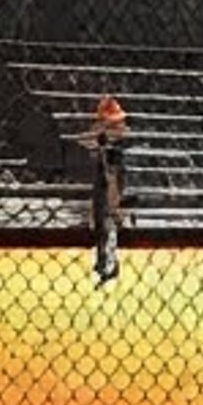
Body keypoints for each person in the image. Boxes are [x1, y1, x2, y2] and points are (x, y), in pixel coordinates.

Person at [82, 96, 133, 286]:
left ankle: (109, 266)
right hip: (102, 183)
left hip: (111, 182)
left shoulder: (117, 144)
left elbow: (113, 172)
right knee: (99, 224)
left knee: (108, 223)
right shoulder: (102, 138)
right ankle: (102, 262)